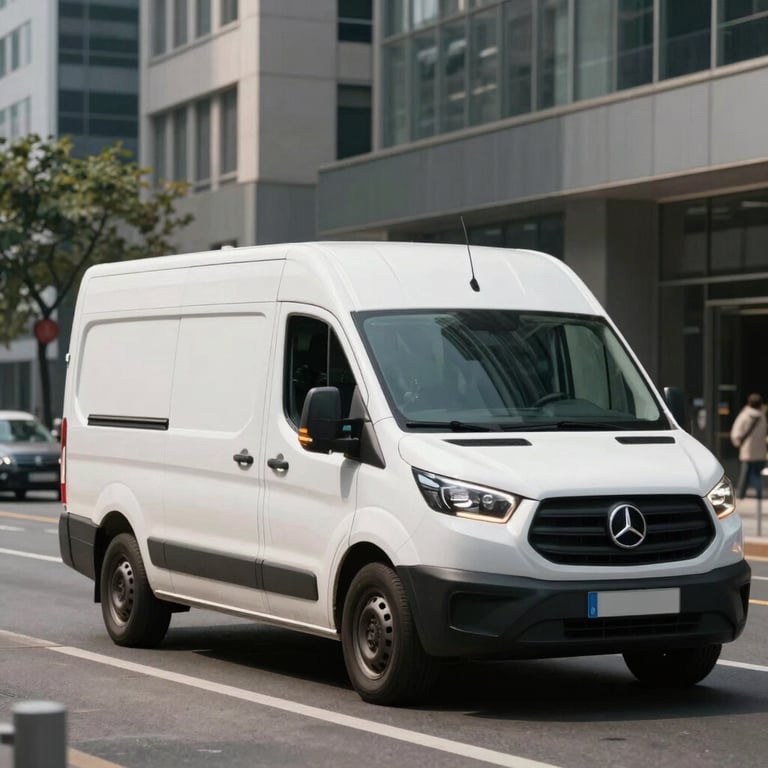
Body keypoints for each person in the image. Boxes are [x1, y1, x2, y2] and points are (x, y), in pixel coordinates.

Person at [730, 392, 768, 500]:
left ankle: (745, 493)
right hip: (761, 452)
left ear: (749, 403)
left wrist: (737, 443)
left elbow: (736, 433)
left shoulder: (744, 416)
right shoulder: (762, 417)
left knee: (747, 474)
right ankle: (749, 493)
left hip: (748, 451)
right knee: (755, 473)